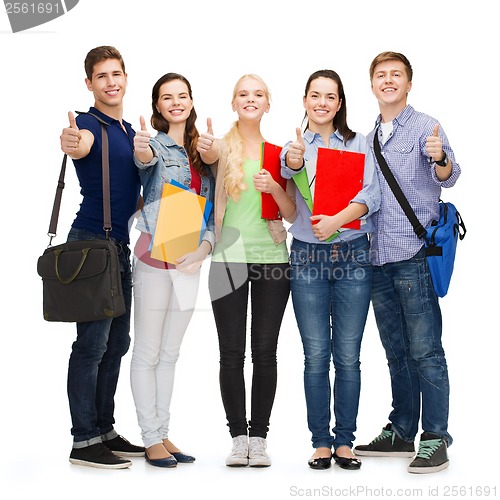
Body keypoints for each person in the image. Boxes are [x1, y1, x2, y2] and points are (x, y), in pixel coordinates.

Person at [353, 51, 461, 474]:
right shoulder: (368, 137)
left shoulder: (425, 127)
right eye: (381, 75)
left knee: (426, 349)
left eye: (396, 74)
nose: (388, 80)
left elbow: (450, 176)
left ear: (408, 84)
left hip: (413, 254)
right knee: (396, 349)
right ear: (373, 84)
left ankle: (435, 437)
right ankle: (401, 429)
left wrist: (440, 158)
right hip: (376, 256)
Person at [281, 69, 381, 471]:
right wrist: (293, 160)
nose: (322, 102)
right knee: (315, 355)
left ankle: (345, 442)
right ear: (305, 100)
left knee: (348, 356)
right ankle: (321, 442)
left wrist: (337, 220)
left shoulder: (361, 143)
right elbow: (287, 177)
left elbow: (370, 194)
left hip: (353, 254)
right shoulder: (295, 146)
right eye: (315, 95)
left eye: (330, 97)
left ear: (340, 103)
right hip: (307, 256)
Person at [197, 74, 294, 467]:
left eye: (258, 94)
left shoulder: (279, 153)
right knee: (231, 353)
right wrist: (204, 146)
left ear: (268, 104)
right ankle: (238, 438)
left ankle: (260, 438)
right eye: (243, 94)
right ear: (233, 103)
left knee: (265, 353)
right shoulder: (220, 147)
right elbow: (204, 155)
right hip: (227, 261)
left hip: (272, 258)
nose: (250, 99)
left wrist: (274, 188)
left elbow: (290, 213)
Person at [59, 46, 143, 469]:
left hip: (119, 246)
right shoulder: (89, 125)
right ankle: (84, 439)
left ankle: (105, 429)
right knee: (91, 344)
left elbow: (135, 192)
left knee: (116, 342)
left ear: (126, 78)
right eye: (102, 75)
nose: (111, 81)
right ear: (89, 83)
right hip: (91, 243)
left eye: (117, 73)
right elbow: (78, 144)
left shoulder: (129, 130)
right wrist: (71, 141)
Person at [130, 73, 215, 468]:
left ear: (192, 101)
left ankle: (163, 433)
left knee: (170, 352)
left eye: (182, 96)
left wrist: (204, 249)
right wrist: (143, 150)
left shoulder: (204, 151)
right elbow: (143, 163)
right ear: (158, 106)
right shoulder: (154, 145)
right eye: (168, 97)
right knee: (147, 350)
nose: (176, 102)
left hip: (188, 260)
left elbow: (216, 211)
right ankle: (149, 437)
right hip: (153, 256)